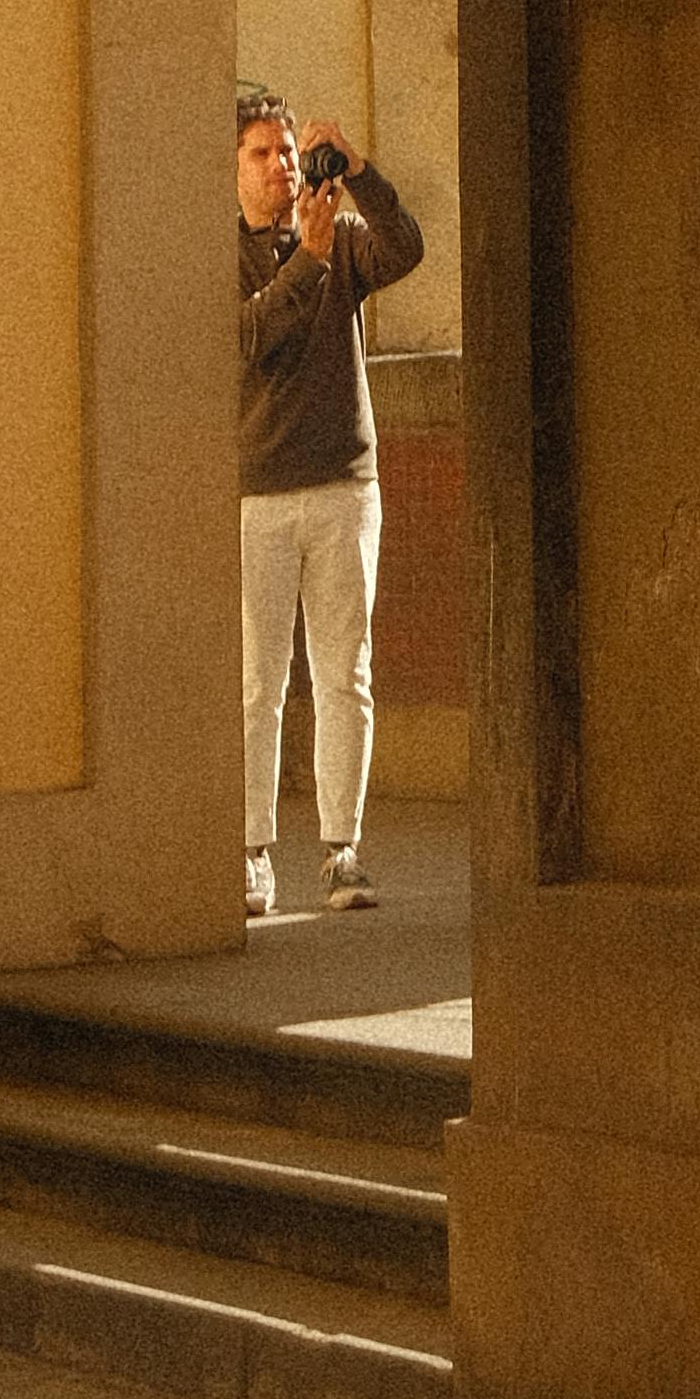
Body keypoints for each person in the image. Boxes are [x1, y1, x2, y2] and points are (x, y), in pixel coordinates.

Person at [236, 84, 425, 922]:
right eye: (260, 155)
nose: (280, 169)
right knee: (258, 684)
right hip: (257, 494)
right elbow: (249, 342)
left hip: (346, 484)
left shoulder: (343, 240)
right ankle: (249, 854)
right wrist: (304, 261)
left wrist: (363, 172)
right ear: (231, 172)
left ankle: (342, 850)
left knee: (346, 674)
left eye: (288, 152)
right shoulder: (228, 256)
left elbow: (407, 248)